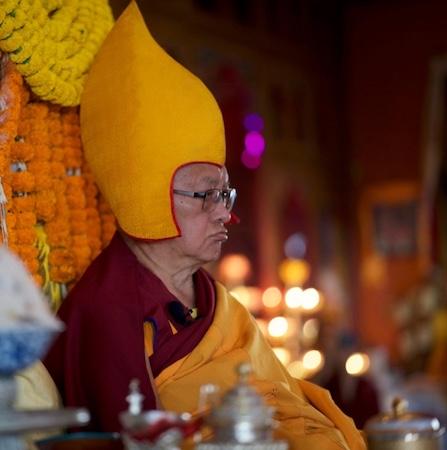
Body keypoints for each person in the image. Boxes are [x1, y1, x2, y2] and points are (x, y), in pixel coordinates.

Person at [44, 2, 366, 449]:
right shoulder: (105, 314)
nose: (225, 213)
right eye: (206, 195)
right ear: (150, 199)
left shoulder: (214, 300)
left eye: (226, 193)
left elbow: (283, 398)